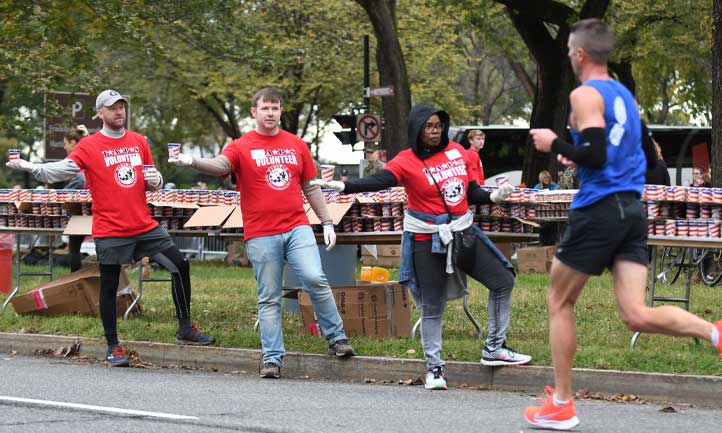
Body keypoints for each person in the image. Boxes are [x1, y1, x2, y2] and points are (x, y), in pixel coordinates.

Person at [526, 19, 722, 430]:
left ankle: (561, 403)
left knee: (559, 302)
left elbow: (596, 156)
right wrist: (577, 152)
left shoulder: (585, 95)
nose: (566, 57)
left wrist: (555, 145)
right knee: (635, 313)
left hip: (599, 210)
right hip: (633, 211)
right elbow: (647, 161)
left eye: (567, 52)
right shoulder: (625, 99)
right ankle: (715, 334)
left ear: (579, 54)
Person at [312, 104, 531, 391]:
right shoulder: (406, 160)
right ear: (417, 129)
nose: (434, 131)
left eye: (438, 125)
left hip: (462, 232)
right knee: (432, 303)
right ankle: (435, 368)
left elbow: (470, 192)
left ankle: (495, 348)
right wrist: (346, 187)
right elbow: (381, 181)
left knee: (503, 280)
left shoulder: (457, 152)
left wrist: (493, 197)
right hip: (427, 239)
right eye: (428, 126)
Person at [6, 89, 215, 367]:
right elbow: (58, 171)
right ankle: (113, 345)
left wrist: (158, 178)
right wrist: (29, 166)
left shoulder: (139, 141)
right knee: (109, 285)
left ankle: (185, 327)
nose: (119, 112)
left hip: (144, 225)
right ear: (100, 113)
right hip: (111, 228)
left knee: (180, 264)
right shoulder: (89, 146)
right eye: (112, 107)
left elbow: (153, 180)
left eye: (122, 107)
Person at [169, 87, 354, 379]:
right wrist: (191, 161)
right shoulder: (241, 145)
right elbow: (220, 166)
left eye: (275, 108)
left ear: (281, 112)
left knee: (315, 278)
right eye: (265, 108)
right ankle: (272, 359)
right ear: (254, 112)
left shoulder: (296, 145)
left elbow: (310, 186)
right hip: (261, 232)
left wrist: (327, 222)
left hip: (297, 227)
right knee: (268, 297)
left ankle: (337, 339)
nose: (270, 113)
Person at [63, 126, 90, 272]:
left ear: (73, 142)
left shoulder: (72, 159)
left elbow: (80, 180)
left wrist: (62, 196)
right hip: (96, 206)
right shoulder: (87, 152)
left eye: (66, 143)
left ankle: (76, 280)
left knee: (74, 248)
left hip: (80, 209)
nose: (65, 147)